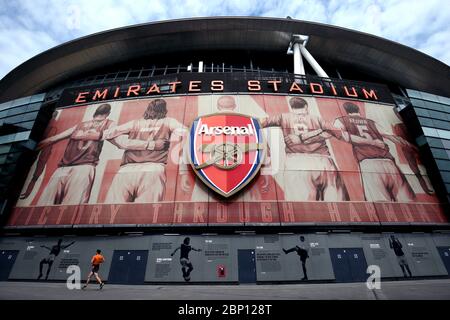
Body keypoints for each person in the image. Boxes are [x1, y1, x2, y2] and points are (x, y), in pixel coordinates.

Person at [261, 97, 349, 201]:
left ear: (291, 107)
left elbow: (261, 122)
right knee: (338, 205)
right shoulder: (317, 119)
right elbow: (338, 132)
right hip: (323, 161)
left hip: (295, 162)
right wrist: (310, 136)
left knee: (301, 208)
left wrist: (301, 138)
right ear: (306, 107)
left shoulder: (283, 117)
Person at [103, 99, 186, 203]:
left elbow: (106, 134)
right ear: (165, 110)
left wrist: (126, 143)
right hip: (154, 168)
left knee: (110, 211)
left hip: (126, 170)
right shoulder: (169, 122)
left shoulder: (134, 123)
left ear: (148, 109)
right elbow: (186, 132)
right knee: (146, 212)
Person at [333, 102, 415, 202]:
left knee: (381, 205)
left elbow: (340, 135)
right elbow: (392, 137)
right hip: (388, 162)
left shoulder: (341, 120)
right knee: (407, 201)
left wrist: (369, 142)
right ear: (359, 110)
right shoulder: (371, 122)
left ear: (346, 111)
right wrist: (411, 145)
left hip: (368, 163)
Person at [36, 104, 114, 205]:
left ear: (95, 113)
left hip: (62, 170)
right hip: (84, 168)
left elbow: (52, 139)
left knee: (43, 208)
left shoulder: (79, 125)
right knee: (70, 211)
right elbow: (118, 139)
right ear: (108, 114)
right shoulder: (109, 124)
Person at [392, 108, 434, 194]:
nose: (398, 115)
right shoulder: (398, 126)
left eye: (398, 113)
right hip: (409, 150)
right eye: (396, 114)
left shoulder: (412, 124)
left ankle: (428, 189)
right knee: (417, 172)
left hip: (416, 148)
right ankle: (426, 190)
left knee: (427, 167)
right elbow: (402, 140)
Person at [20, 111, 59, 200]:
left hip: (43, 150)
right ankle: (26, 193)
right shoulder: (51, 124)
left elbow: (48, 140)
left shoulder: (52, 125)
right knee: (33, 174)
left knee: (35, 174)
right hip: (41, 150)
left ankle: (27, 193)